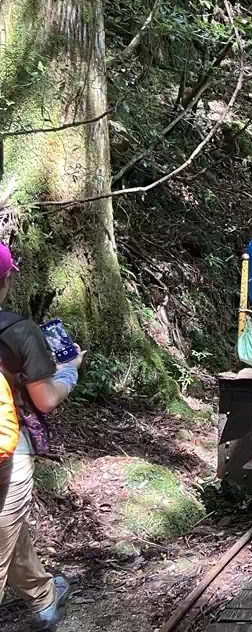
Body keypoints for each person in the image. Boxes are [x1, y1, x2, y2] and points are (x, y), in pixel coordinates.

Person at [0, 243, 84, 631]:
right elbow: (45, 400)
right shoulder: (19, 331)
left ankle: (44, 596)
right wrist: (68, 372)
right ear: (7, 279)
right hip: (7, 450)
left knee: (8, 529)